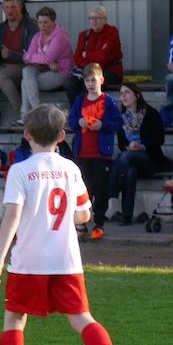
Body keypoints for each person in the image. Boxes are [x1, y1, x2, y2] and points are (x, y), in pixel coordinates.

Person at [0, 104, 131, 345]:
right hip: (66, 260)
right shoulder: (71, 169)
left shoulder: (20, 171)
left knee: (14, 319)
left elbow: (12, 217)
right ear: (62, 136)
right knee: (82, 319)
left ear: (27, 134)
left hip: (28, 262)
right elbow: (83, 215)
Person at [68, 64, 123, 240]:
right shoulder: (80, 101)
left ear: (101, 80)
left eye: (93, 80)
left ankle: (99, 224)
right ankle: (81, 225)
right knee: (83, 190)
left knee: (100, 190)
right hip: (82, 152)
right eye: (87, 81)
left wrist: (102, 125)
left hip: (101, 154)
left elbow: (118, 124)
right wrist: (79, 122)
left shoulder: (109, 102)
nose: (90, 84)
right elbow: (71, 121)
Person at [109, 83, 172, 225]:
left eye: (127, 92)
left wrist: (141, 147)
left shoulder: (151, 113)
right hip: (131, 161)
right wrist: (129, 147)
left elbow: (159, 139)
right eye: (121, 93)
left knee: (126, 156)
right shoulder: (121, 118)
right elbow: (121, 144)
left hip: (151, 159)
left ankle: (111, 191)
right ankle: (127, 216)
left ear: (137, 95)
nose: (123, 96)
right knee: (130, 171)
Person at [15, 7, 73, 125]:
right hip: (43, 69)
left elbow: (36, 57)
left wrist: (42, 58)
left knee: (25, 82)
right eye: (40, 22)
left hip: (60, 72)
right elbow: (28, 60)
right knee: (27, 71)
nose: (42, 26)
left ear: (53, 22)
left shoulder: (60, 36)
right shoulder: (38, 36)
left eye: (46, 22)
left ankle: (30, 114)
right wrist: (46, 60)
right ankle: (33, 112)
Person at [65, 6, 123, 107]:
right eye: (91, 18)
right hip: (88, 71)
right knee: (71, 84)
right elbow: (77, 59)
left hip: (110, 71)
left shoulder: (112, 32)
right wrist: (96, 57)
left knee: (89, 83)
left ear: (105, 20)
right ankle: (77, 113)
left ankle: (91, 112)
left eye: (98, 18)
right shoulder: (84, 35)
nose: (94, 21)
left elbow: (104, 57)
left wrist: (86, 54)